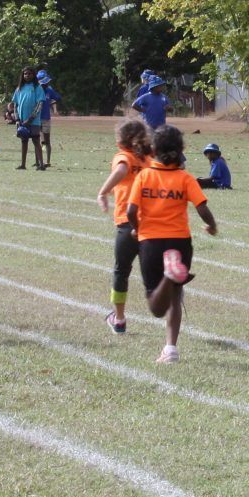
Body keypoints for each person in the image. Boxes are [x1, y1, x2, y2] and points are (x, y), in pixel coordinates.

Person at [125, 125, 217, 363]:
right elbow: (202, 208)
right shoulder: (185, 178)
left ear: (153, 149)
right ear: (182, 150)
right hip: (180, 242)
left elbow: (130, 210)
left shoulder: (144, 176)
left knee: (156, 308)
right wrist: (212, 226)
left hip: (151, 242)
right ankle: (171, 349)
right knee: (176, 296)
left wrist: (136, 227)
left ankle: (169, 275)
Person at [97, 119, 152, 335]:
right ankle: (168, 303)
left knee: (121, 271)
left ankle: (119, 319)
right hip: (150, 223)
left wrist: (103, 192)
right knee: (153, 272)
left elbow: (121, 170)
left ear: (122, 138)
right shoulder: (149, 158)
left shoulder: (124, 157)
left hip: (127, 223)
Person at [12, 67, 48, 170]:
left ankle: (41, 165)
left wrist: (31, 118)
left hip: (34, 121)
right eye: (25, 74)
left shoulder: (37, 87)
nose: (27, 76)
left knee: (36, 141)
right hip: (22, 121)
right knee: (24, 142)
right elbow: (15, 105)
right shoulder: (19, 88)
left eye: (29, 74)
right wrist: (17, 119)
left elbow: (40, 104)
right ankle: (23, 164)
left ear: (33, 75)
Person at [37, 69, 61, 158]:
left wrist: (55, 110)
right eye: (45, 82)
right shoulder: (35, 90)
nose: (47, 83)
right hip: (36, 118)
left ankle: (48, 161)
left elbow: (55, 98)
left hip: (46, 118)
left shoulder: (49, 90)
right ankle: (38, 161)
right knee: (36, 140)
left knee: (47, 141)